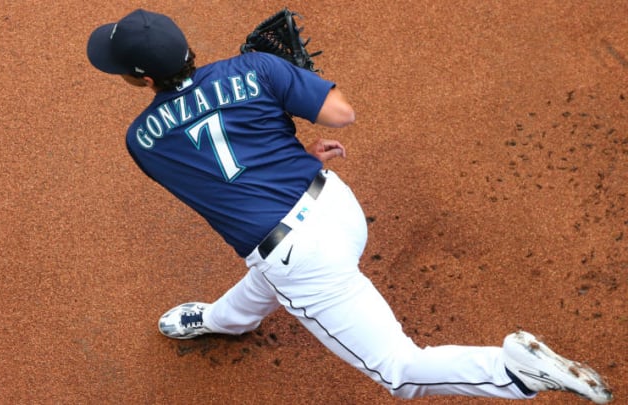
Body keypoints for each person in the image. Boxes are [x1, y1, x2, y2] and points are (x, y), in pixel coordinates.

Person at [86, 8, 613, 403]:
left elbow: (224, 176)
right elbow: (341, 114)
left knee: (400, 372)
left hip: (298, 255)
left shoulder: (142, 141)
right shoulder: (257, 69)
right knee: (271, 278)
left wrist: (270, 131)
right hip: (337, 206)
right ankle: (225, 320)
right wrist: (282, 98)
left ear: (144, 79)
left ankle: (515, 371)